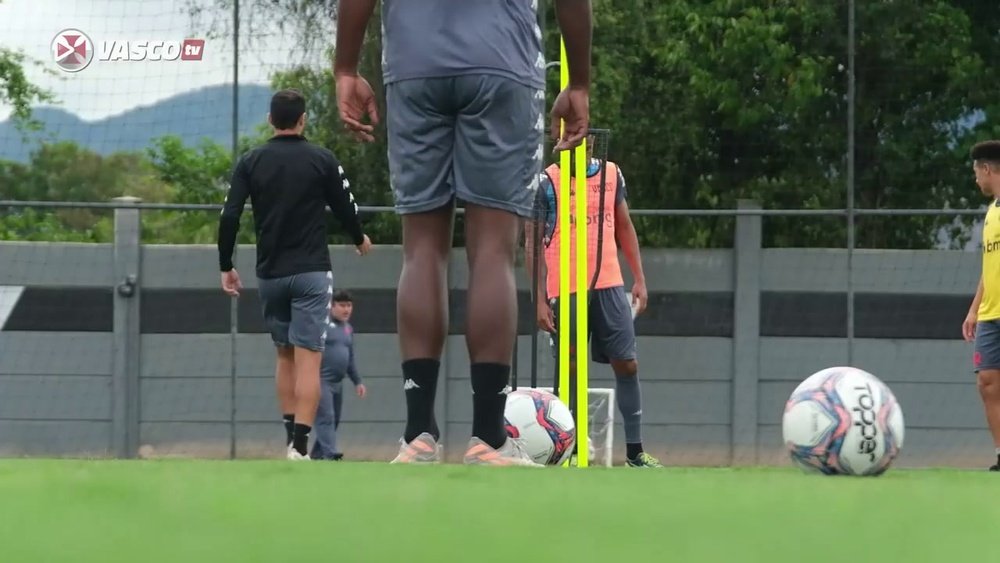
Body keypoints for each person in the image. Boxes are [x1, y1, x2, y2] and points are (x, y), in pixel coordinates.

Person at [333, 0, 592, 465]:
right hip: (501, 60)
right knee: (492, 251)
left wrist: (346, 67)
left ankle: (417, 436)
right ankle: (488, 438)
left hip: (415, 65)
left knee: (422, 251)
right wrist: (579, 83)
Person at [217, 89, 372, 461]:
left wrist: (226, 264)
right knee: (310, 359)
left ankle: (290, 437)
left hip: (270, 273)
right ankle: (301, 445)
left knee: (284, 356)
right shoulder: (322, 159)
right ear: (304, 120)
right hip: (312, 274)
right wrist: (359, 237)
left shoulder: (250, 161)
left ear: (270, 120)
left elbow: (230, 216)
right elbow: (345, 204)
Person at [525, 137, 663, 468]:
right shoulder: (547, 182)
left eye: (586, 141)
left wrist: (640, 278)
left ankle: (634, 453)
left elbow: (625, 227)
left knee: (627, 363)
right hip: (565, 287)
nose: (581, 147)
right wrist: (539, 301)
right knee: (569, 369)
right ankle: (568, 447)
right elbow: (531, 243)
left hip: (609, 284)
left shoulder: (612, 175)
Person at [963, 139, 1000, 471]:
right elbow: (990, 264)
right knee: (987, 382)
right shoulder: (991, 213)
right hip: (991, 314)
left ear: (987, 170)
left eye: (977, 173)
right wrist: (975, 308)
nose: (977, 180)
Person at [311, 290, 368, 460]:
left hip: (338, 383)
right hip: (321, 380)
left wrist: (357, 381)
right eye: (342, 305)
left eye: (349, 306)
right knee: (326, 417)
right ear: (332, 306)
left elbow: (350, 359)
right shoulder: (322, 325)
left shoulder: (348, 329)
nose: (346, 310)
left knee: (334, 420)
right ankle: (331, 453)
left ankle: (317, 454)